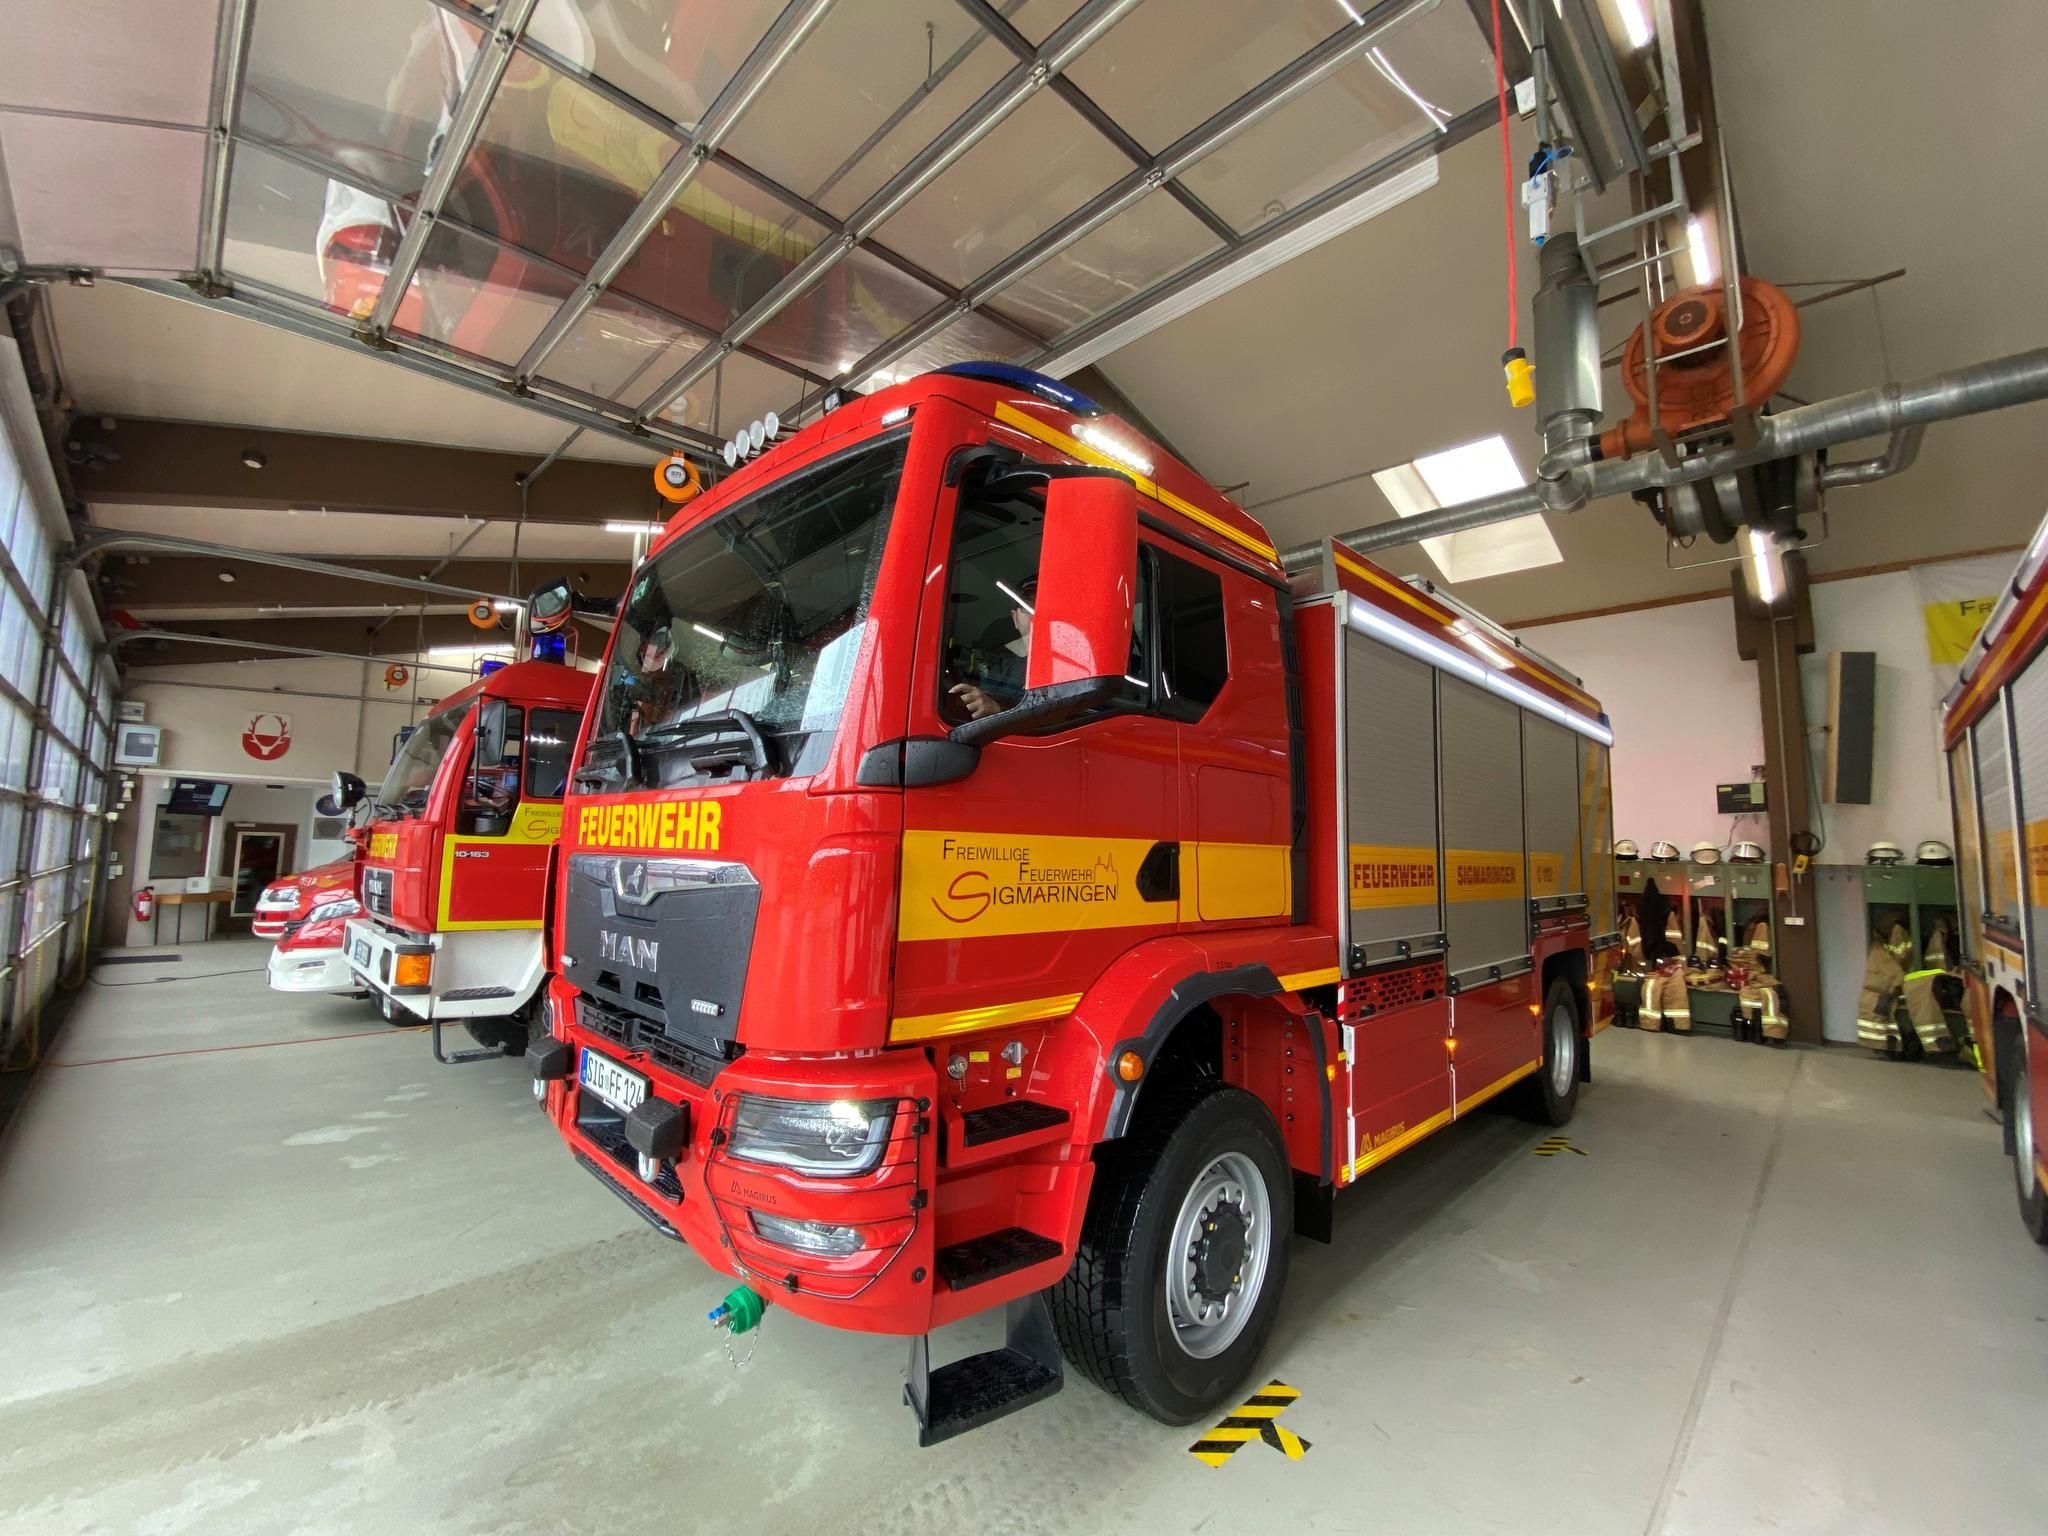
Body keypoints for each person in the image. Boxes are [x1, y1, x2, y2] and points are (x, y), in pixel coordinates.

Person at [949, 577, 1035, 721]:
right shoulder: (1002, 667)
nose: (1035, 613)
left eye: (1043, 606)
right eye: (1027, 607)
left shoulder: (1071, 666)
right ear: (1015, 618)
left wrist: (997, 710)